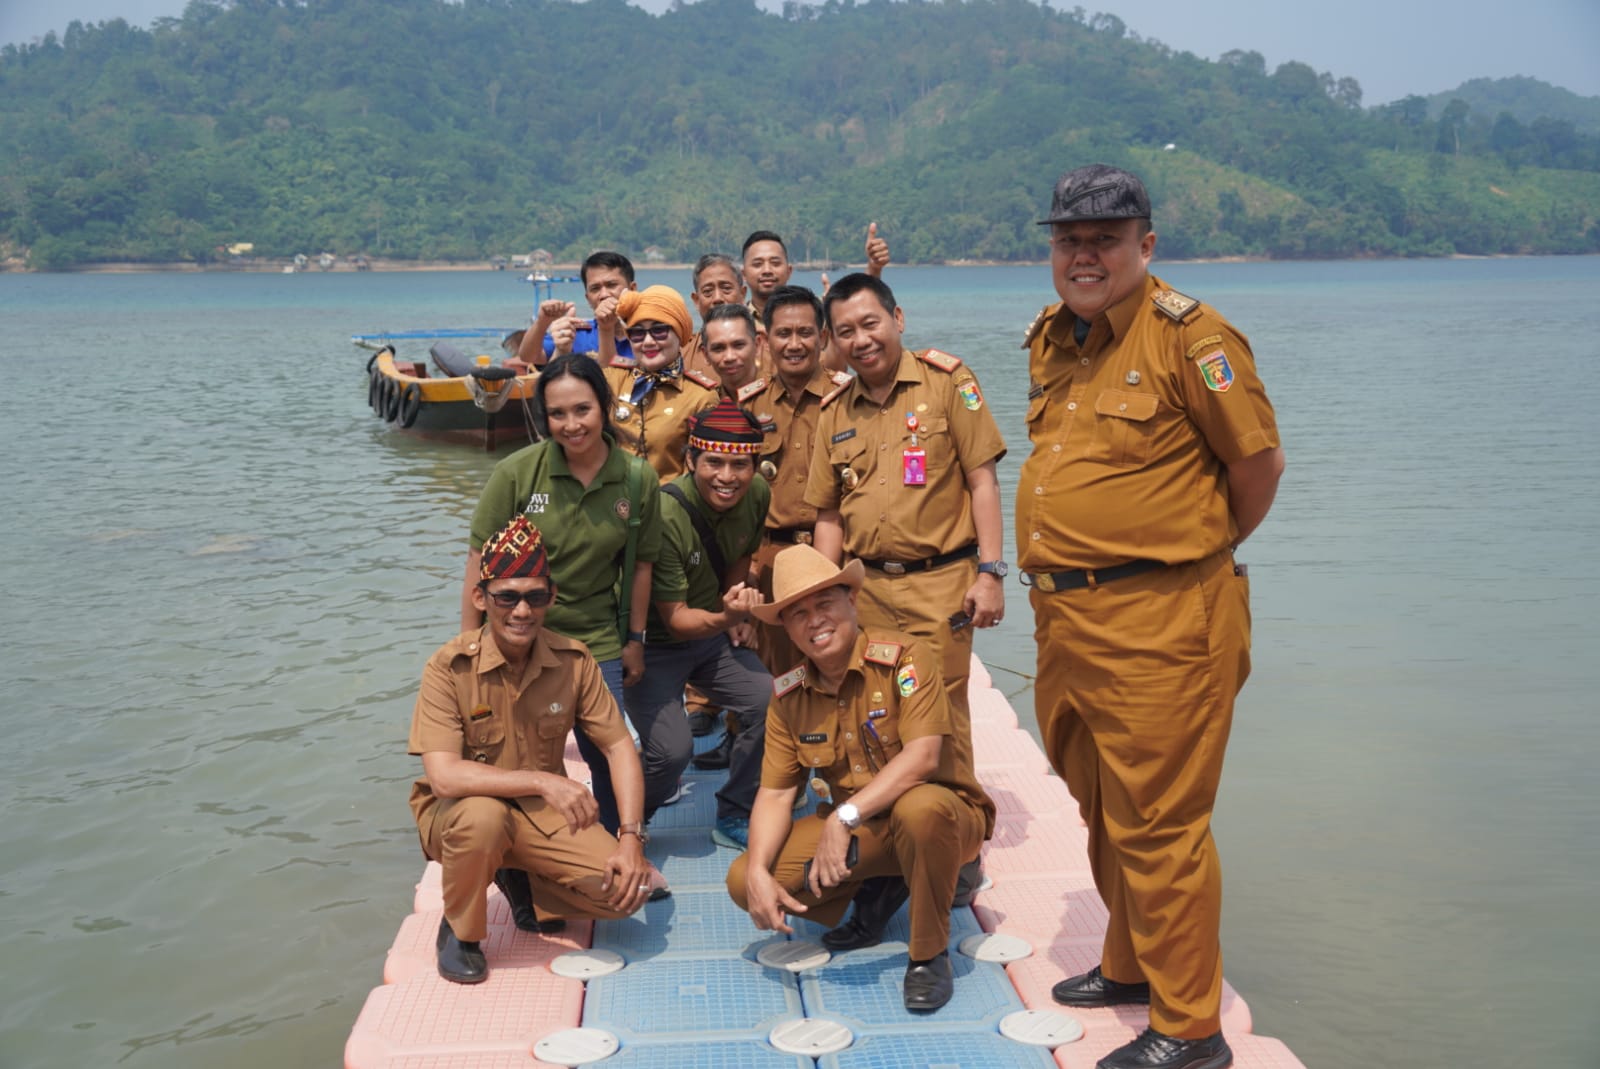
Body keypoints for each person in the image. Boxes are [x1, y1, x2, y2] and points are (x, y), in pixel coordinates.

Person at [1019, 164, 1284, 1069]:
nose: (1083, 255)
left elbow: (1257, 468)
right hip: (1068, 621)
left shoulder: (1192, 338)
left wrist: (1196, 551)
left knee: (1164, 821)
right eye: (1068, 240)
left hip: (1165, 620)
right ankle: (1130, 965)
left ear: (1146, 244)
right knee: (1101, 800)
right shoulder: (1056, 337)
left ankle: (1190, 1027)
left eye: (1103, 238)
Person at [726, 545, 994, 1012]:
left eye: (825, 604)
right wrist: (755, 873)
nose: (814, 621)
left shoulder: (907, 658)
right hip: (868, 830)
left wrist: (842, 818)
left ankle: (929, 955)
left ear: (852, 602)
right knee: (744, 879)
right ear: (786, 628)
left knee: (921, 809)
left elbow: (924, 757)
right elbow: (775, 793)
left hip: (944, 817)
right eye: (797, 614)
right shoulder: (789, 696)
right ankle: (886, 882)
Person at [409, 516, 652, 984]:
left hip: (539, 815)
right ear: (481, 599)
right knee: (484, 819)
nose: (522, 611)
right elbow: (444, 777)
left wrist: (630, 839)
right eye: (508, 597)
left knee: (625, 894)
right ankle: (460, 932)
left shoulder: (573, 661)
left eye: (535, 597)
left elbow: (620, 746)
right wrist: (543, 779)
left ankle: (523, 879)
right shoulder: (449, 668)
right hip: (460, 813)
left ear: (551, 598)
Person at [805, 272, 1007, 762]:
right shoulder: (834, 410)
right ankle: (891, 827)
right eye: (846, 332)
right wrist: (820, 596)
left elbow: (983, 482)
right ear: (833, 341)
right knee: (877, 708)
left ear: (897, 319)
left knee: (942, 712)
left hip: (940, 586)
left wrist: (991, 573)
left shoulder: (947, 383)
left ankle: (958, 825)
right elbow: (830, 516)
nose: (861, 340)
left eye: (870, 323)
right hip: (865, 588)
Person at [463, 355, 661, 835]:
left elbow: (639, 567)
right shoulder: (516, 474)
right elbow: (478, 565)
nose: (571, 425)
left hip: (596, 640)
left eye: (582, 410)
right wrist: (470, 648)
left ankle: (620, 847)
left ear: (605, 407)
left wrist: (634, 639)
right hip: (519, 639)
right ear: (544, 417)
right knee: (517, 754)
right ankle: (527, 859)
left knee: (614, 753)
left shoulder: (637, 480)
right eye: (557, 414)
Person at [624, 399, 774, 850]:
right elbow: (677, 618)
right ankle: (632, 820)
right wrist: (729, 615)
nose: (727, 477)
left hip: (708, 638)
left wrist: (736, 610)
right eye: (714, 462)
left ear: (755, 467)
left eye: (739, 465)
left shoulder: (759, 494)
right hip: (654, 646)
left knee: (773, 700)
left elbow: (739, 556)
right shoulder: (667, 513)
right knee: (672, 753)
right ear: (691, 460)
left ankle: (736, 811)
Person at [747, 285, 852, 673]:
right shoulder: (747, 406)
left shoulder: (849, 399)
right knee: (780, 677)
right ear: (765, 340)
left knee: (844, 669)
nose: (795, 344)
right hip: (772, 563)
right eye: (783, 333)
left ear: (822, 337)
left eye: (805, 333)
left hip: (843, 556)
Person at [602, 285, 720, 482]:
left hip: (668, 506)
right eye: (637, 333)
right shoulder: (613, 379)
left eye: (659, 331)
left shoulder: (700, 396)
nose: (648, 342)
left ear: (679, 333)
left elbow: (699, 473)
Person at [514, 250, 638, 365]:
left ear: (632, 289)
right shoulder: (577, 333)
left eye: (611, 285)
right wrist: (542, 323)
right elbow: (528, 357)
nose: (604, 295)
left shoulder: (649, 335)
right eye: (595, 289)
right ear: (588, 298)